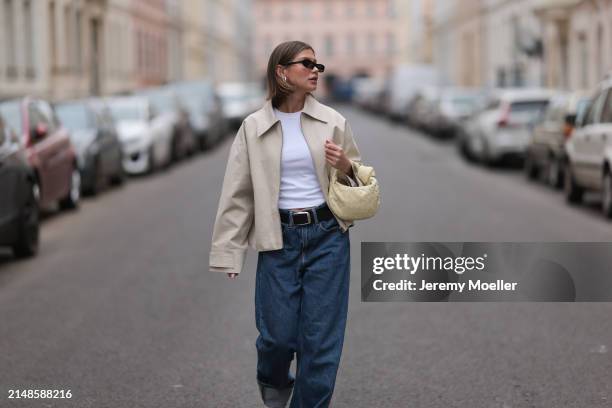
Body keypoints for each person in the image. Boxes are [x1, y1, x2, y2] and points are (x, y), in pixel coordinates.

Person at [209, 40, 365, 408]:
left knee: (320, 343)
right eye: (306, 63)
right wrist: (229, 251)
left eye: (318, 65)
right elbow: (238, 190)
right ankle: (274, 381)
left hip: (327, 236)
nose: (315, 70)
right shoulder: (253, 126)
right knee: (277, 338)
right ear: (282, 71)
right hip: (278, 238)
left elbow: (358, 176)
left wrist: (346, 166)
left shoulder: (333, 121)